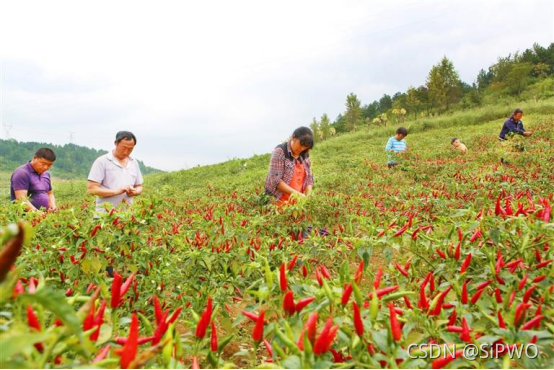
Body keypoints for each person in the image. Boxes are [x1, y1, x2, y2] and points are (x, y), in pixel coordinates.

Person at [87, 131, 144, 213]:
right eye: (123, 148)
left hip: (127, 216)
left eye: (130, 149)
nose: (126, 152)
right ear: (116, 143)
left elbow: (139, 186)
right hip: (105, 216)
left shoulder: (133, 162)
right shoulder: (102, 161)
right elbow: (91, 189)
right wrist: (117, 191)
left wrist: (135, 192)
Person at [265, 126, 314, 206]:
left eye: (305, 147)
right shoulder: (280, 152)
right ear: (293, 137)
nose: (302, 148)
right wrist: (298, 195)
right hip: (279, 201)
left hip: (297, 202)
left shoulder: (305, 155)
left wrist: (307, 196)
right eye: (301, 144)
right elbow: (275, 181)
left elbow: (309, 178)